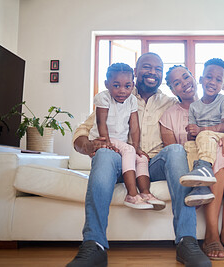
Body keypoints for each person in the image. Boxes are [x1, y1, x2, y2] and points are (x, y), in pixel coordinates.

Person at [66, 53, 212, 267]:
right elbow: (82, 133)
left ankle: (186, 241)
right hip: (120, 164)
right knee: (105, 153)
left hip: (154, 163)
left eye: (158, 69)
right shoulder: (116, 94)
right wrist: (89, 145)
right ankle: (94, 245)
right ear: (136, 72)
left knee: (175, 151)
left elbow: (197, 105)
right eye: (146, 67)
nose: (153, 72)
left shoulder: (170, 102)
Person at [161, 64, 224, 261]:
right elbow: (174, 153)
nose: (184, 84)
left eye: (186, 77)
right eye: (177, 83)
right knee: (218, 155)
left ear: (195, 78)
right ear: (172, 89)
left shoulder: (219, 102)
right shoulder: (169, 114)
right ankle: (212, 234)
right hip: (195, 159)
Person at [91, 62, 165, 210]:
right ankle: (132, 194)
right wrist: (107, 143)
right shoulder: (103, 98)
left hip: (121, 142)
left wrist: (136, 147)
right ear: (107, 84)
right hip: (103, 138)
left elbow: (134, 126)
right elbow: (101, 122)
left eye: (127, 86)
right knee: (129, 151)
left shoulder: (131, 99)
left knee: (141, 157)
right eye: (116, 85)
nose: (122, 91)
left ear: (133, 85)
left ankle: (145, 193)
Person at [179, 58, 224, 208]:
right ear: (201, 79)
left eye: (218, 79)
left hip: (221, 136)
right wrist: (191, 132)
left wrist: (201, 130)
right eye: (209, 77)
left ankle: (205, 168)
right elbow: (193, 134)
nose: (212, 82)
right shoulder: (194, 106)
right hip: (205, 140)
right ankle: (200, 187)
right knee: (189, 145)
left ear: (223, 85)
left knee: (204, 135)